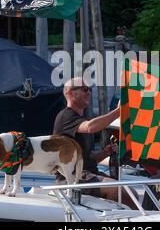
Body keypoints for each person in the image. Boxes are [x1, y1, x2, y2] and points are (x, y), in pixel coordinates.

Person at [53, 77, 136, 208]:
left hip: (85, 173)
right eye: (84, 89)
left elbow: (88, 157)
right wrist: (119, 111)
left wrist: (105, 152)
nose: (89, 92)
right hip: (70, 177)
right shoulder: (66, 116)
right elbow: (91, 127)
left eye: (90, 90)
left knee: (128, 191)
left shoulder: (81, 119)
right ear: (69, 93)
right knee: (120, 191)